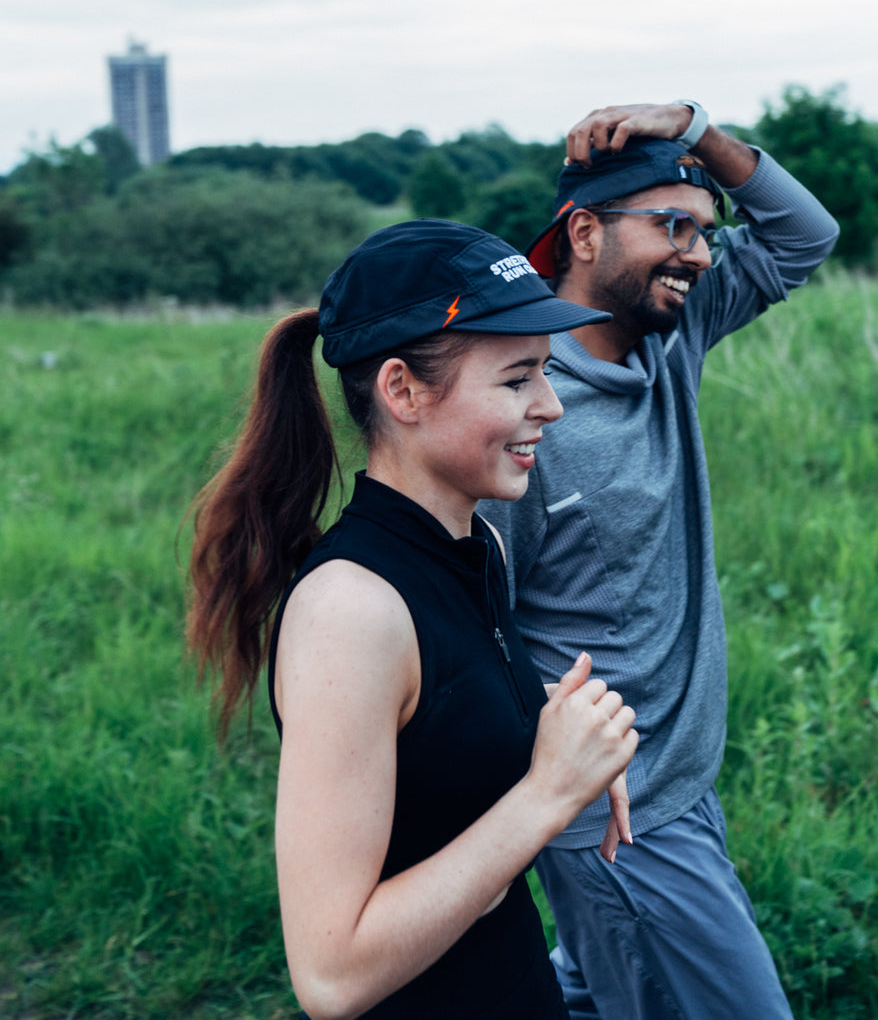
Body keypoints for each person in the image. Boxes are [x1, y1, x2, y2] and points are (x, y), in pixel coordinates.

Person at [186, 218, 638, 1020]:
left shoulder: (476, 547)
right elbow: (332, 975)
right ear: (401, 391)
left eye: (545, 373)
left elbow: (444, 764)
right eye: (516, 380)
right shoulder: (350, 613)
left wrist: (567, 739)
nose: (552, 405)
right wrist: (546, 792)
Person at [479, 101, 840, 1020]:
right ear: (585, 232)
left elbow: (806, 233)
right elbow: (476, 624)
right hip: (622, 819)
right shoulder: (521, 413)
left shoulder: (669, 333)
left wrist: (696, 123)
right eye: (671, 226)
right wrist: (557, 797)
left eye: (706, 232)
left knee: (598, 993)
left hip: (680, 783)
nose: (697, 252)